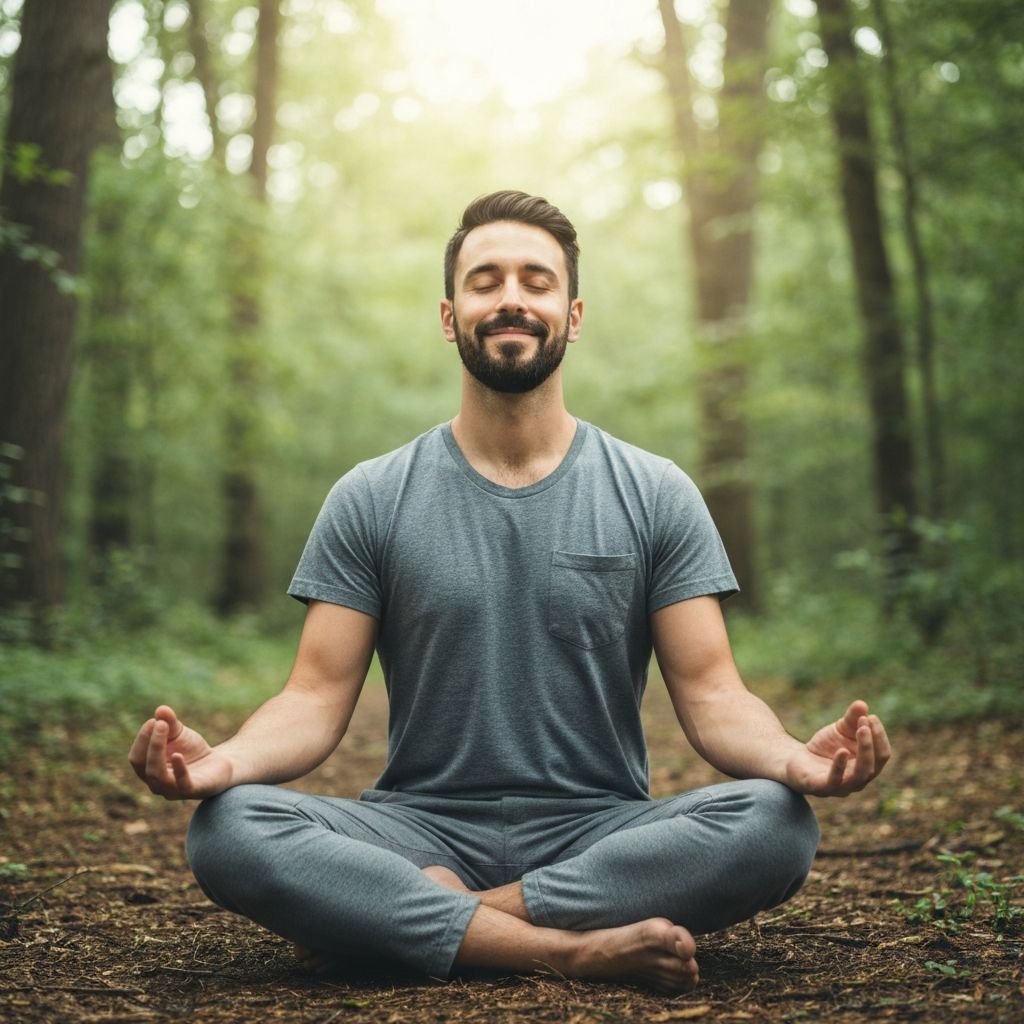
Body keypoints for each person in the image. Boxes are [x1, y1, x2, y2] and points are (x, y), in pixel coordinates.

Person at [129, 190, 891, 995]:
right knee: (230, 829)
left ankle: (433, 923)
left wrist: (790, 761)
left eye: (537, 279)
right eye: (486, 280)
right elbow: (314, 698)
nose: (512, 299)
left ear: (573, 311)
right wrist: (226, 764)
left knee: (775, 823)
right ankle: (568, 950)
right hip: (415, 830)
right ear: (451, 315)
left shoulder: (656, 492)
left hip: (602, 831)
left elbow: (711, 693)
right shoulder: (371, 496)